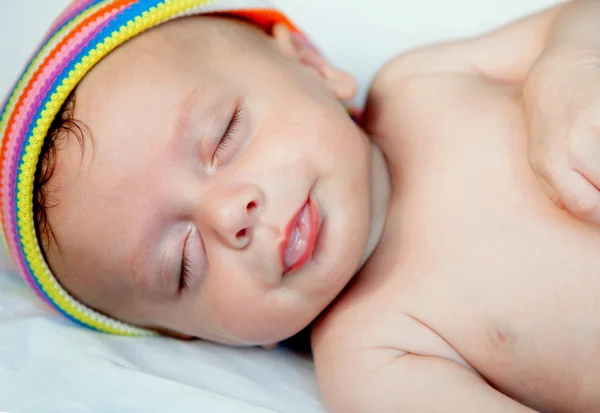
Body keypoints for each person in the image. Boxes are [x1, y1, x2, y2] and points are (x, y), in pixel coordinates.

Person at [2, 0, 600, 411]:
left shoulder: (423, 82)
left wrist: (568, 68)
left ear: (312, 65)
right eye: (182, 264)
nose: (230, 215)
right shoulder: (370, 360)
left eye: (225, 135)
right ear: (206, 338)